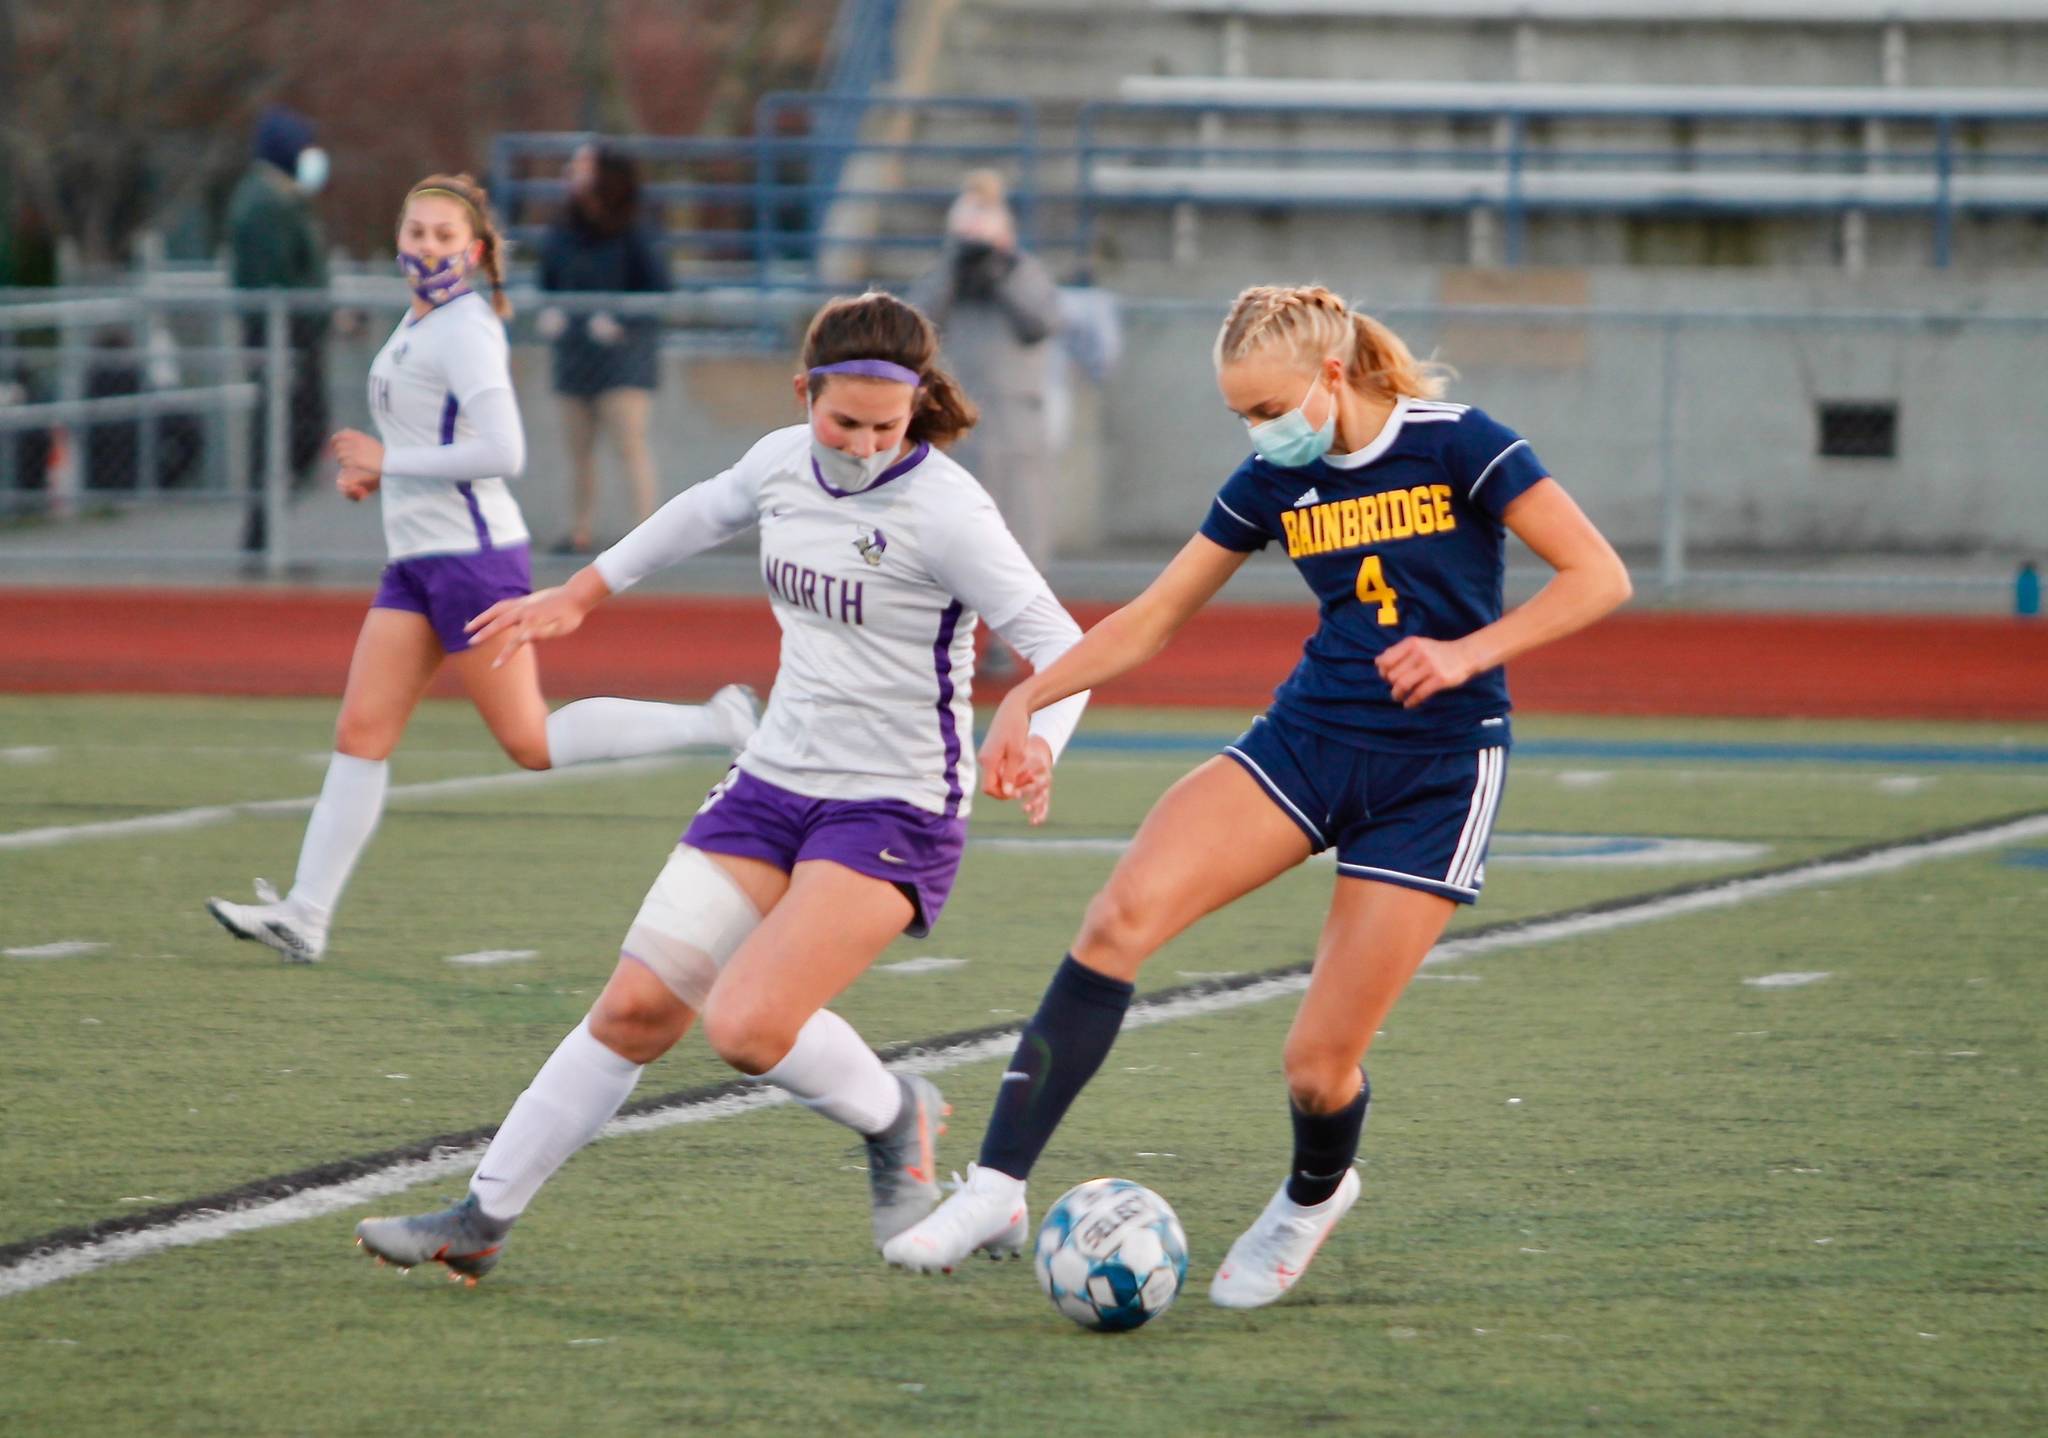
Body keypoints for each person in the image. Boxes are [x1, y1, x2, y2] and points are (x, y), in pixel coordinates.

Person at [884, 284, 1633, 1309]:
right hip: (1308, 740)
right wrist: (1028, 696)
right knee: (1118, 917)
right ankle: (995, 1187)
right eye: (1240, 414)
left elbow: (1597, 576)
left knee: (1316, 1068)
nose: (1259, 431)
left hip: (1436, 774)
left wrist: (1466, 653)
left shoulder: (1460, 442)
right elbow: (1154, 616)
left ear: (1330, 374)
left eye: (1270, 409)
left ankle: (1311, 1197)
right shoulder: (1273, 479)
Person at [350, 290, 1093, 1282]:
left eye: (888, 426)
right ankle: (482, 1217)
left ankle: (896, 1115)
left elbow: (1063, 644)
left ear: (916, 405)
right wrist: (582, 593)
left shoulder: (948, 510)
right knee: (633, 1010)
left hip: (895, 803)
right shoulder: (780, 462)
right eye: (844, 422)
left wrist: (1040, 739)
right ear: (803, 391)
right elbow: (700, 511)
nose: (866, 446)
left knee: (745, 1025)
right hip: (771, 781)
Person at [206, 173, 756, 964]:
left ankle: (717, 724)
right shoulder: (419, 319)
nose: (427, 247)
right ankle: (306, 915)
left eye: (443, 236)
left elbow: (504, 451)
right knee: (361, 732)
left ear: (474, 251)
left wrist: (390, 461)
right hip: (416, 563)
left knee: (529, 740)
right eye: (416, 232)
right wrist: (381, 474)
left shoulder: (466, 327)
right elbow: (431, 438)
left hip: (471, 562)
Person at [908, 171, 1061, 568]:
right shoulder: (945, 278)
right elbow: (917, 325)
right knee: (954, 525)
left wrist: (1000, 275)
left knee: (1020, 524)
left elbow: (1040, 323)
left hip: (1015, 420)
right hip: (956, 417)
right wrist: (953, 268)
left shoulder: (1023, 272)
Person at [536, 143, 672, 554]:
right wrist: (552, 312)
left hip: (624, 361)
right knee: (577, 450)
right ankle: (578, 529)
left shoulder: (636, 229)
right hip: (575, 356)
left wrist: (623, 321)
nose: (573, 174)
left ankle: (647, 535)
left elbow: (659, 291)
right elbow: (548, 282)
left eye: (584, 167)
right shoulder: (562, 229)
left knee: (629, 444)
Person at [226, 104, 332, 554]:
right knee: (280, 432)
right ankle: (263, 536)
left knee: (297, 432)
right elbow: (275, 276)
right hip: (282, 337)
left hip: (297, 335)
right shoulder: (264, 203)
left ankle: (269, 533)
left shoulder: (283, 199)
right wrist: (300, 318)